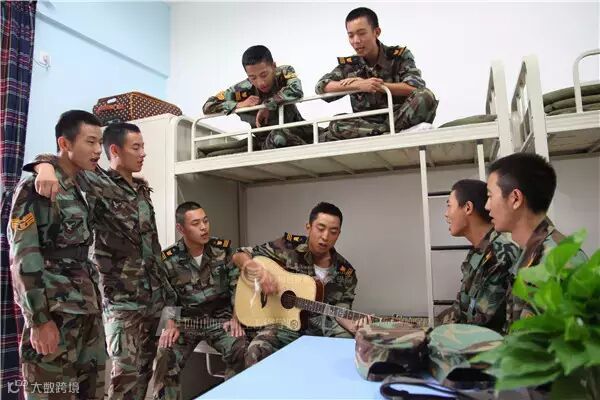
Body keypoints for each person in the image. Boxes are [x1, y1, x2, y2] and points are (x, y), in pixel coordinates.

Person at [26, 122, 177, 400]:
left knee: (147, 374)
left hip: (153, 299)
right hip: (121, 303)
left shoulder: (142, 191)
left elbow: (153, 251)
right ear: (115, 151)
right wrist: (42, 165)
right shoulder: (97, 181)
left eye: (143, 147)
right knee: (124, 380)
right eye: (136, 147)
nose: (143, 153)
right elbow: (64, 162)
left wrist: (170, 305)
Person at [9, 110, 105, 399]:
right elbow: (23, 256)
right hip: (56, 314)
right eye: (90, 142)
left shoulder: (82, 185)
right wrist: (38, 320)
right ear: (65, 143)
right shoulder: (36, 187)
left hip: (87, 310)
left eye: (100, 142)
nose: (98, 150)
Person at [232, 202, 364, 367]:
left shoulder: (346, 272)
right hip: (286, 324)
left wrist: (354, 325)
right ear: (308, 227)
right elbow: (239, 255)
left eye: (333, 232)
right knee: (256, 351)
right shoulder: (289, 246)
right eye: (320, 228)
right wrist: (257, 271)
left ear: (339, 234)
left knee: (349, 348)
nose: (325, 237)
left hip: (323, 326)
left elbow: (341, 311)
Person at [152, 202, 248, 400]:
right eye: (196, 224)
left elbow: (237, 287)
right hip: (187, 321)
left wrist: (236, 318)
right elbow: (165, 296)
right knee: (165, 353)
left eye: (205, 221)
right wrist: (169, 324)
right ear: (181, 229)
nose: (204, 227)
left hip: (220, 319)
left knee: (240, 349)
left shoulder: (223, 250)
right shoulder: (168, 259)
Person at [485, 153, 587, 330]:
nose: (486, 206)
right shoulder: (529, 253)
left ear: (515, 199)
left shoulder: (560, 264)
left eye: (490, 196)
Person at [315, 7, 438, 140]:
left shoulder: (398, 56)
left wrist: (377, 86)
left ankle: (391, 131)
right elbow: (321, 87)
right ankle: (393, 133)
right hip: (366, 125)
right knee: (337, 124)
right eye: (351, 35)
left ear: (376, 32)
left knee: (425, 96)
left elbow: (414, 87)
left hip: (399, 117)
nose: (356, 40)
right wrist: (359, 85)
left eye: (362, 33)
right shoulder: (349, 65)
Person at [436, 179, 520, 333]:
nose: (446, 214)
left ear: (468, 208)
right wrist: (425, 329)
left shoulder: (500, 253)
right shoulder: (478, 253)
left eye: (449, 206)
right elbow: (460, 309)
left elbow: (482, 325)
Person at [202, 45, 316, 149]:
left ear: (273, 66)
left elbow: (296, 90)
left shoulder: (283, 72)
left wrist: (267, 105)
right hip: (269, 141)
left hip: (300, 131)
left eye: (264, 75)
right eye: (253, 78)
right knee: (277, 136)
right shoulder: (242, 89)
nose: (261, 83)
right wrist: (239, 105)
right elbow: (208, 106)